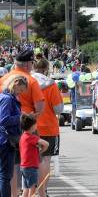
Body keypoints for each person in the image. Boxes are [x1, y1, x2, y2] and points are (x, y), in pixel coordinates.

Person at [0, 49, 45, 197]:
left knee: (8, 171)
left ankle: (14, 194)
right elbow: (39, 107)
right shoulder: (31, 81)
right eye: (32, 62)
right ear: (27, 64)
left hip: (9, 135)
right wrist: (24, 117)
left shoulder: (3, 78)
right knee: (21, 167)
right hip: (15, 134)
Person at [31, 58, 64, 197]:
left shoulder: (28, 83)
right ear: (46, 69)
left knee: (30, 160)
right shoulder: (51, 85)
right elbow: (58, 109)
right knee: (45, 159)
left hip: (30, 127)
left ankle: (30, 190)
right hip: (49, 127)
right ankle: (43, 192)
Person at [0, 75, 28, 197]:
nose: (20, 93)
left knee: (5, 175)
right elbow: (3, 120)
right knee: (5, 176)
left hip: (5, 140)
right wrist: (20, 117)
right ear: (15, 83)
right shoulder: (8, 99)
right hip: (5, 141)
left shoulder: (7, 97)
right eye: (20, 90)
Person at [19, 114, 49, 197]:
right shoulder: (31, 137)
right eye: (36, 124)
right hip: (31, 167)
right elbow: (46, 144)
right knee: (32, 190)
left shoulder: (23, 137)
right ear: (32, 126)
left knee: (26, 189)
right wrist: (41, 151)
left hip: (24, 166)